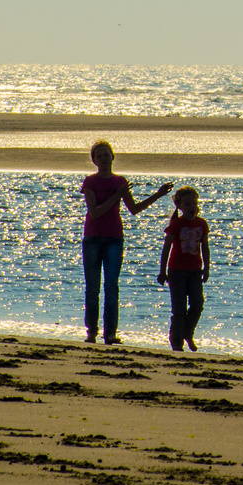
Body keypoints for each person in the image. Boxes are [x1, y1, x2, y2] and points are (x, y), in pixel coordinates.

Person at [80, 140, 172, 345]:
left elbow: (134, 209)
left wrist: (158, 194)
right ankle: (91, 332)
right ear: (94, 161)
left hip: (114, 239)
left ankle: (110, 333)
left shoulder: (120, 182)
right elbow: (94, 213)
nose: (103, 159)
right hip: (93, 239)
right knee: (93, 288)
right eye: (99, 156)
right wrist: (116, 196)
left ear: (113, 157)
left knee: (112, 286)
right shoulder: (91, 182)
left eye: (106, 155)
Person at [156, 186, 211, 351]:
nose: (192, 207)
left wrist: (207, 268)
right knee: (179, 310)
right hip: (177, 271)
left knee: (197, 304)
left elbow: (205, 247)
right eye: (187, 204)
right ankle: (177, 343)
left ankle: (188, 332)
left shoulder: (202, 224)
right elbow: (166, 248)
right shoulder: (176, 224)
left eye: (194, 203)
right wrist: (162, 271)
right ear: (180, 207)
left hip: (195, 271)